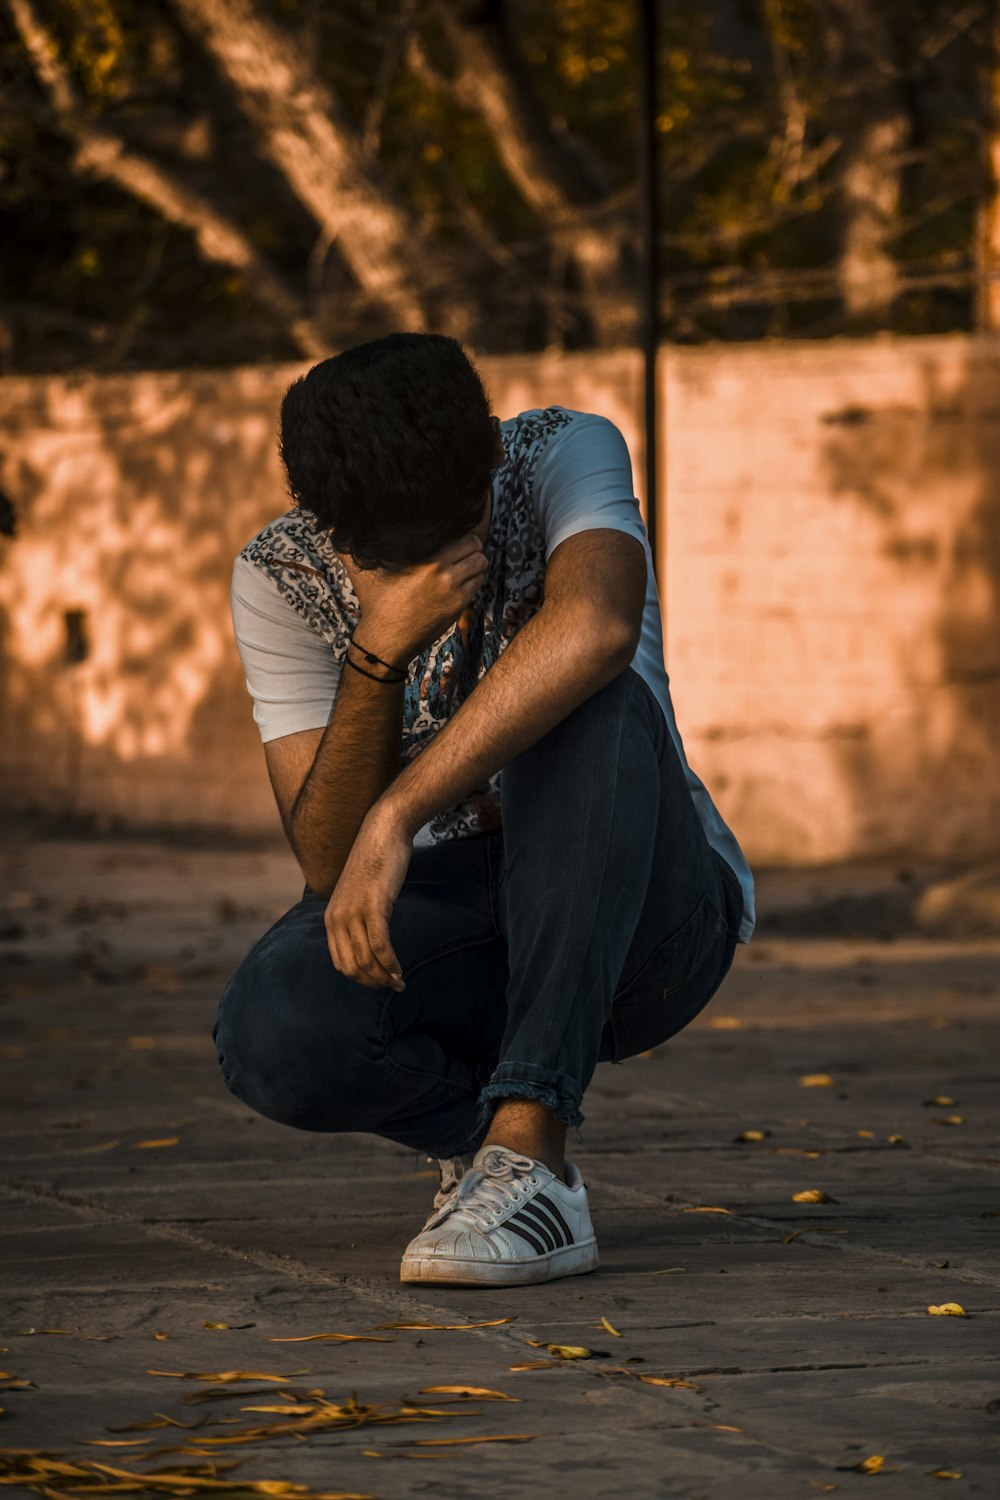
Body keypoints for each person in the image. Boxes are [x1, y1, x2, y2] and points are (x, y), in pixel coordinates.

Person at [214, 332, 754, 1288]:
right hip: (464, 927)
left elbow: (596, 626)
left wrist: (399, 813)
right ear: (329, 526)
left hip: (643, 927)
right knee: (271, 1027)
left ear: (490, 458)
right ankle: (493, 1151)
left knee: (595, 695)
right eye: (395, 555)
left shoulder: (562, 451)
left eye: (456, 530)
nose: (443, 570)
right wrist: (378, 653)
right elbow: (330, 865)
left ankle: (534, 1156)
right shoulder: (282, 572)